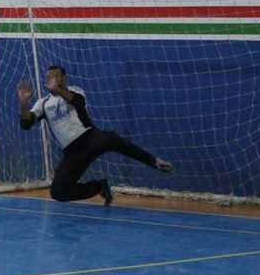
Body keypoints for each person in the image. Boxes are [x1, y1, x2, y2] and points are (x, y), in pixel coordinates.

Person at [18, 65, 173, 204]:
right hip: (72, 152)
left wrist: (58, 90)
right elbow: (26, 124)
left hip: (91, 138)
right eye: (48, 77)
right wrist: (24, 102)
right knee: (58, 192)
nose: (50, 79)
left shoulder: (75, 91)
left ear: (63, 78)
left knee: (115, 140)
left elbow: (77, 102)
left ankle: (154, 161)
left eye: (54, 76)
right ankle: (99, 187)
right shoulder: (43, 103)